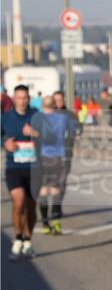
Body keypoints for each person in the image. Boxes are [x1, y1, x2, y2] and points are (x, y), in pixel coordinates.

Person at [2, 85, 38, 259]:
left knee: (31, 207)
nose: (22, 101)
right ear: (14, 99)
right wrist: (5, 144)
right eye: (19, 97)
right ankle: (17, 238)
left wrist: (34, 133)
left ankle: (28, 240)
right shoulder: (6, 118)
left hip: (34, 169)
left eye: (25, 97)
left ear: (29, 99)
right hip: (14, 168)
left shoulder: (36, 116)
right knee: (19, 202)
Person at [30, 96, 71, 236]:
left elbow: (33, 137)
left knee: (43, 190)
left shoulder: (38, 119)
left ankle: (45, 224)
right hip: (58, 157)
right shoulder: (63, 118)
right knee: (55, 190)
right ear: (54, 105)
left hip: (42, 157)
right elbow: (69, 133)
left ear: (42, 105)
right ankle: (56, 222)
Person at [51, 90, 80, 223]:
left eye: (60, 100)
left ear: (64, 101)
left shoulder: (70, 115)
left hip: (65, 153)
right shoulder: (46, 115)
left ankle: (56, 206)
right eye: (55, 100)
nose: (58, 103)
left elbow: (77, 130)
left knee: (61, 182)